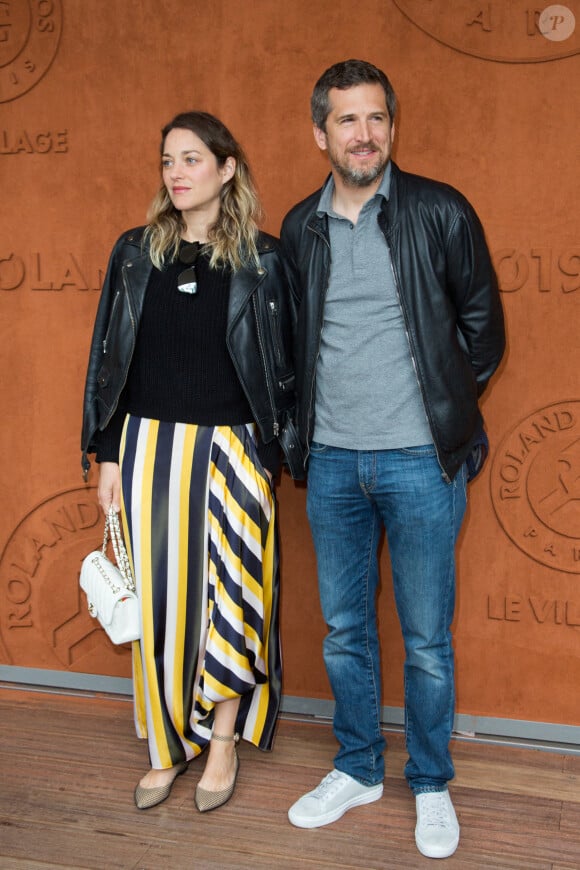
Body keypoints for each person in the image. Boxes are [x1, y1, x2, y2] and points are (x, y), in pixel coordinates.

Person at [281, 60, 505, 859]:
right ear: (321, 133)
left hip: (420, 464)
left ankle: (431, 780)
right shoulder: (300, 227)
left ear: (392, 128)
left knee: (426, 637)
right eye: (347, 120)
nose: (363, 134)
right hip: (334, 464)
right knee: (344, 631)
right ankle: (358, 767)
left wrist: (438, 409)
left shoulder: (440, 211)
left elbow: (485, 329)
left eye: (376, 118)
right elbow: (293, 345)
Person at [81, 111, 302, 813]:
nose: (176, 173)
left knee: (233, 595)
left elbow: (287, 365)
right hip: (146, 448)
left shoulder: (265, 259)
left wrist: (270, 451)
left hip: (234, 449)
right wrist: (108, 452)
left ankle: (225, 739)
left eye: (192, 159)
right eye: (168, 160)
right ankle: (169, 745)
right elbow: (111, 359)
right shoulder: (133, 252)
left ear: (227, 168)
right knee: (164, 602)